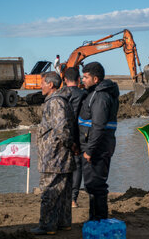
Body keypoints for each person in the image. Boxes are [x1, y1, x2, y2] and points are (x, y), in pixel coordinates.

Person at [31, 71, 76, 235]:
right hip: (61, 156)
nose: (40, 86)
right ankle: (63, 223)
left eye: (43, 83)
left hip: (54, 157)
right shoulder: (60, 101)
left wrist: (70, 145)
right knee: (63, 192)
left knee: (49, 191)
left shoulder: (55, 102)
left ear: (51, 85)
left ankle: (47, 226)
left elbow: (62, 129)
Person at [78, 62, 119, 221]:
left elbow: (98, 125)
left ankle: (99, 219)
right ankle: (95, 218)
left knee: (96, 185)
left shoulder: (100, 96)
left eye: (86, 77)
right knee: (93, 184)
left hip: (98, 148)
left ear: (96, 79)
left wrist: (89, 150)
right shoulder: (97, 93)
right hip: (100, 146)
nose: (83, 79)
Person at [61, 67, 87, 208]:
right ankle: (72, 199)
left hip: (62, 136)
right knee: (77, 167)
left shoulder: (59, 94)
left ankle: (62, 196)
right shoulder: (83, 94)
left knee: (61, 167)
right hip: (78, 136)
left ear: (65, 80)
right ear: (79, 79)